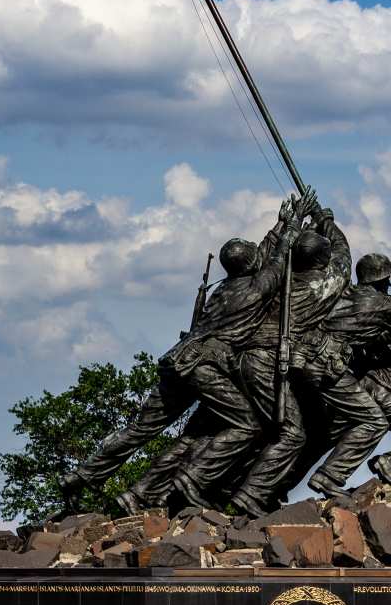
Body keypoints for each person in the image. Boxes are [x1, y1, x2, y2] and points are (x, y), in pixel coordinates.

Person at [59, 193, 309, 510]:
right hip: (204, 366)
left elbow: (261, 256)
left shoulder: (225, 288)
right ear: (251, 264)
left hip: (178, 359)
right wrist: (293, 225)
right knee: (247, 424)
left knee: (139, 431)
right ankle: (193, 481)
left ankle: (80, 477)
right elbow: (275, 261)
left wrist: (281, 223)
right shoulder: (256, 289)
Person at [229, 203, 352, 514]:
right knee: (293, 433)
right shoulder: (323, 285)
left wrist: (289, 225)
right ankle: (250, 493)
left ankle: (239, 485)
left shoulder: (278, 278)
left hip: (243, 358)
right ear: (321, 262)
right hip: (268, 360)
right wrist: (326, 221)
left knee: (269, 427)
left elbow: (267, 257)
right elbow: (344, 256)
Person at [276, 251, 390, 500]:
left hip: (307, 361)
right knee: (375, 421)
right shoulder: (383, 305)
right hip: (328, 367)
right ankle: (329, 477)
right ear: (381, 281)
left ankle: (274, 486)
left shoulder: (344, 294)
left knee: (324, 434)